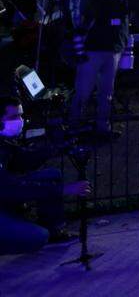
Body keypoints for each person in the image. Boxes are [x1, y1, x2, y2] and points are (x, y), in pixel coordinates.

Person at [1, 96, 91, 254]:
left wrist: (58, 147)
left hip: (7, 189)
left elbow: (23, 159)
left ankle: (56, 232)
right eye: (14, 117)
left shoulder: (4, 142)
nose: (20, 121)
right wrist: (63, 190)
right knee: (38, 237)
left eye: (21, 115)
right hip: (5, 191)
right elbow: (10, 187)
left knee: (51, 175)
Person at [69, 0, 131, 137]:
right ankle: (74, 126)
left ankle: (103, 127)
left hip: (113, 50)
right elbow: (95, 16)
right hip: (94, 50)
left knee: (107, 92)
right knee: (83, 90)